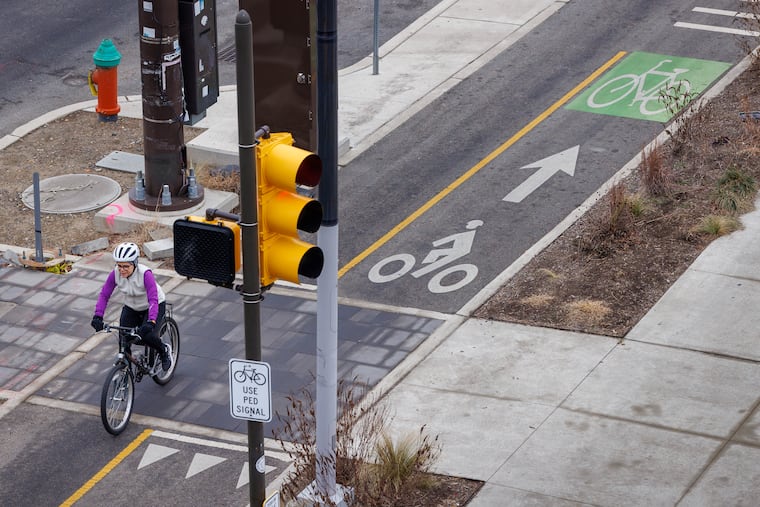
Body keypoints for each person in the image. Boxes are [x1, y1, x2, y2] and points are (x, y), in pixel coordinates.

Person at [91, 242, 172, 371]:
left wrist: (151, 321)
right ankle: (125, 371)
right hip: (132, 306)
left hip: (152, 305)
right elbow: (104, 295)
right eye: (119, 266)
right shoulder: (115, 274)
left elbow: (153, 299)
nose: (121, 270)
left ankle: (163, 351)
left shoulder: (145, 274)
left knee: (147, 335)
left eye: (126, 266)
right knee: (124, 337)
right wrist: (98, 316)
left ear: (134, 263)